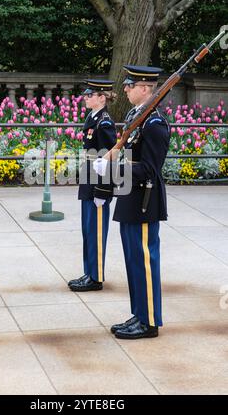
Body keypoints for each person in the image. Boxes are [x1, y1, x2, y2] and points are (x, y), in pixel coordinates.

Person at [95, 65, 170, 338]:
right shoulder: (135, 116)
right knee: (133, 261)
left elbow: (150, 169)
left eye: (129, 84)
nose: (124, 89)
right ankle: (138, 313)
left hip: (145, 201)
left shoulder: (155, 125)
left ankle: (149, 321)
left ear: (145, 89)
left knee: (145, 261)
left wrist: (114, 170)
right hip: (130, 198)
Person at [68, 79, 117, 292]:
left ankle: (95, 277)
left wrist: (103, 190)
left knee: (96, 232)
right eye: (86, 93)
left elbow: (109, 159)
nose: (85, 97)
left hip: (98, 187)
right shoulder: (93, 118)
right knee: (88, 231)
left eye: (90, 94)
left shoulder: (104, 123)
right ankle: (89, 272)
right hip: (89, 183)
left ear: (102, 97)